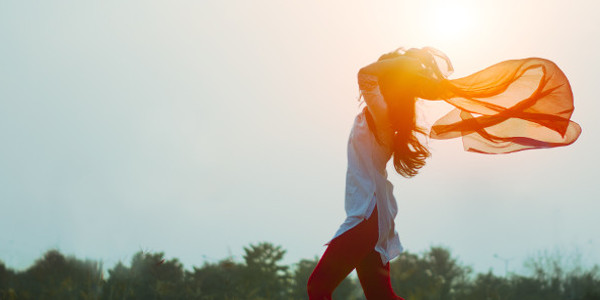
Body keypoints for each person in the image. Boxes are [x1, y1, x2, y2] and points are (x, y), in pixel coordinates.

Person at [306, 47, 581, 300]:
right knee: (381, 297)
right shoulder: (385, 115)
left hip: (367, 215)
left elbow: (365, 74)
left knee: (318, 286)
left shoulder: (382, 113)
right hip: (372, 215)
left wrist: (405, 64)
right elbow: (371, 76)